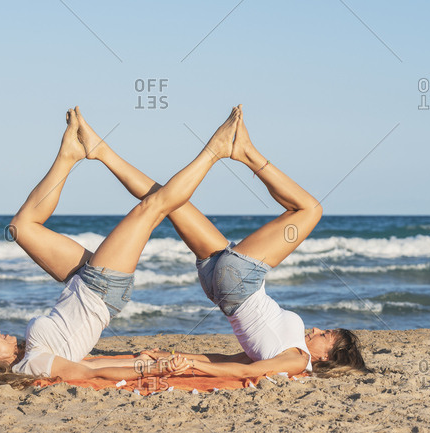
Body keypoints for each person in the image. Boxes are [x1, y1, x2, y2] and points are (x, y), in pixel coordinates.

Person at [0, 105, 242, 388]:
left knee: (21, 228)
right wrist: (151, 367)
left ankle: (69, 155)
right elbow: (91, 372)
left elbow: (88, 364)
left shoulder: (30, 354)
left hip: (81, 280)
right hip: (101, 288)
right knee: (153, 207)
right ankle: (214, 151)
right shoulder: (34, 364)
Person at [87, 104, 367, 379]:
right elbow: (229, 360)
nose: (317, 330)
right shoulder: (288, 354)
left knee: (310, 210)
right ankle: (101, 152)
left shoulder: (296, 361)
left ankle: (247, 154)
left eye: (325, 335)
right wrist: (175, 357)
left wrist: (194, 367)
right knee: (168, 200)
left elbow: (243, 371)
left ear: (327, 357)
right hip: (221, 285)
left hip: (240, 282)